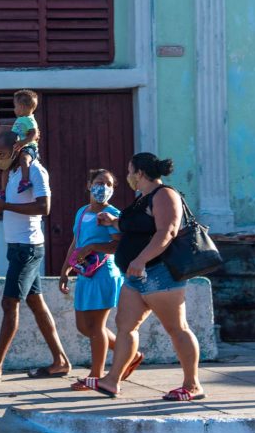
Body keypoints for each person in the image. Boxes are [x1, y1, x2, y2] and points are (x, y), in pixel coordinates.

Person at [79, 153, 205, 401]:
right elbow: (138, 229)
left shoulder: (165, 195)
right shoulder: (143, 199)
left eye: (129, 171)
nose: (127, 176)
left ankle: (192, 385)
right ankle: (112, 381)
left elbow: (166, 231)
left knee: (177, 328)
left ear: (139, 173)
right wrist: (114, 222)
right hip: (135, 277)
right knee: (125, 327)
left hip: (159, 274)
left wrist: (141, 259)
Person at [0, 131, 70, 383]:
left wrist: (7, 207)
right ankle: (60, 361)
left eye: (2, 154)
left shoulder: (35, 170)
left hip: (28, 248)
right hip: (17, 247)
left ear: (16, 148)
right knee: (36, 304)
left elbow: (44, 207)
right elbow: (12, 204)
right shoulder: (13, 174)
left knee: (9, 303)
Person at [58, 169, 144, 390]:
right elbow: (76, 241)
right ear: (88, 185)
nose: (103, 188)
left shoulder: (112, 215)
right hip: (85, 273)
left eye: (109, 184)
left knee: (96, 327)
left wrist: (94, 247)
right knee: (84, 326)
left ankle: (95, 376)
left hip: (103, 272)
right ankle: (130, 354)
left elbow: (118, 245)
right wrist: (65, 269)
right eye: (98, 182)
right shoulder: (82, 212)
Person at [0, 89, 40, 196]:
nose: (14, 109)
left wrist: (23, 142)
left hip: (28, 147)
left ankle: (25, 180)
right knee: (6, 167)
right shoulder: (19, 120)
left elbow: (34, 134)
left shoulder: (29, 120)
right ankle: (3, 191)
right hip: (17, 148)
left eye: (15, 106)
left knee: (24, 159)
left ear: (21, 107)